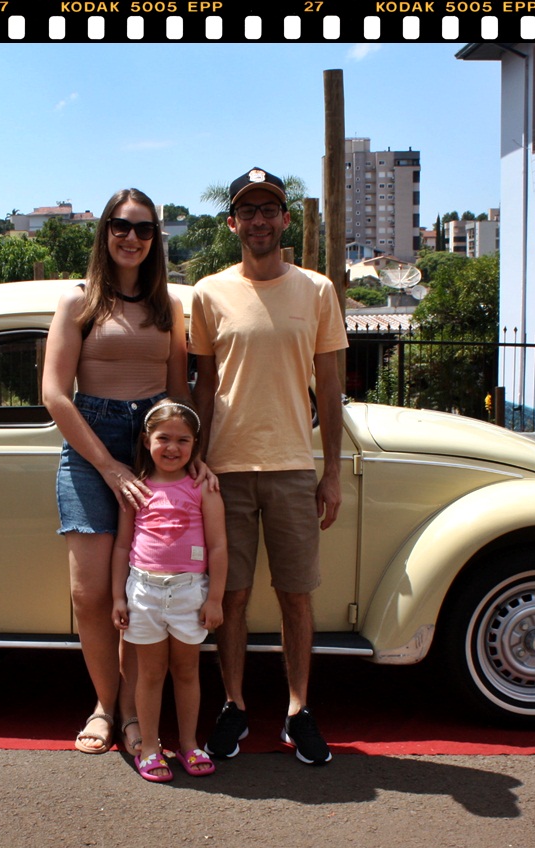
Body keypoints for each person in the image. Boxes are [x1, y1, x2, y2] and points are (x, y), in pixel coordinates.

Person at [191, 167, 349, 765]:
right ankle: (233, 705)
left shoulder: (317, 291)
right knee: (230, 597)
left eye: (268, 210)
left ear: (285, 219)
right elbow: (203, 387)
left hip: (291, 467)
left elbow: (329, 388)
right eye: (247, 211)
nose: (258, 220)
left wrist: (331, 472)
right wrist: (195, 463)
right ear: (233, 223)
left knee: (296, 596)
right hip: (225, 470)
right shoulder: (208, 293)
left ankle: (298, 710)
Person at [43, 188, 195, 755]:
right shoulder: (77, 302)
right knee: (89, 594)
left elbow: (178, 394)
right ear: (105, 231)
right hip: (91, 447)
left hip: (152, 447)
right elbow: (55, 395)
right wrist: (107, 467)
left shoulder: (167, 307)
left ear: (155, 239)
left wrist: (192, 459)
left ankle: (133, 713)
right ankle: (106, 705)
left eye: (144, 229)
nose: (132, 238)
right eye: (121, 226)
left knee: (143, 586)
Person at [111, 403, 228, 781]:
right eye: (164, 438)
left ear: (195, 445)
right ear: (147, 441)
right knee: (149, 673)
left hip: (190, 593)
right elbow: (122, 546)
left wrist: (215, 599)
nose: (173, 447)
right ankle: (149, 747)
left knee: (187, 671)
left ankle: (189, 744)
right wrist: (118, 597)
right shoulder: (137, 489)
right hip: (143, 592)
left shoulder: (203, 488)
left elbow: (219, 546)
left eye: (183, 440)